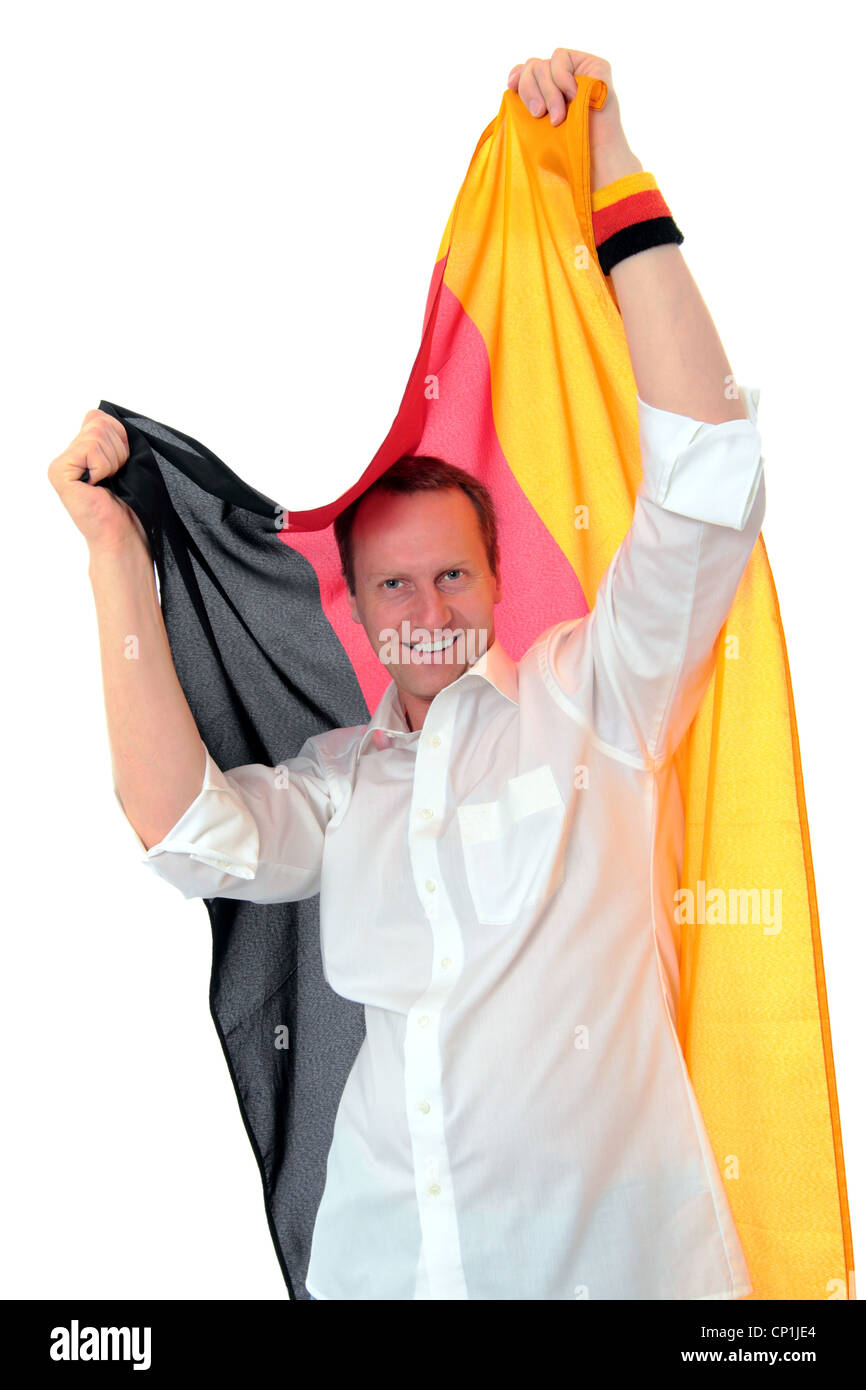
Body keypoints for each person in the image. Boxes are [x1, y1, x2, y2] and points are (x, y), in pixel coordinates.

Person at [48, 47, 766, 1300]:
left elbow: (708, 482)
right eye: (392, 585)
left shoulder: (596, 702)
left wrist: (610, 173)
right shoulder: (338, 788)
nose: (425, 609)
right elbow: (182, 827)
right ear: (359, 612)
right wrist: (116, 552)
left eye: (451, 578)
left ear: (496, 585)